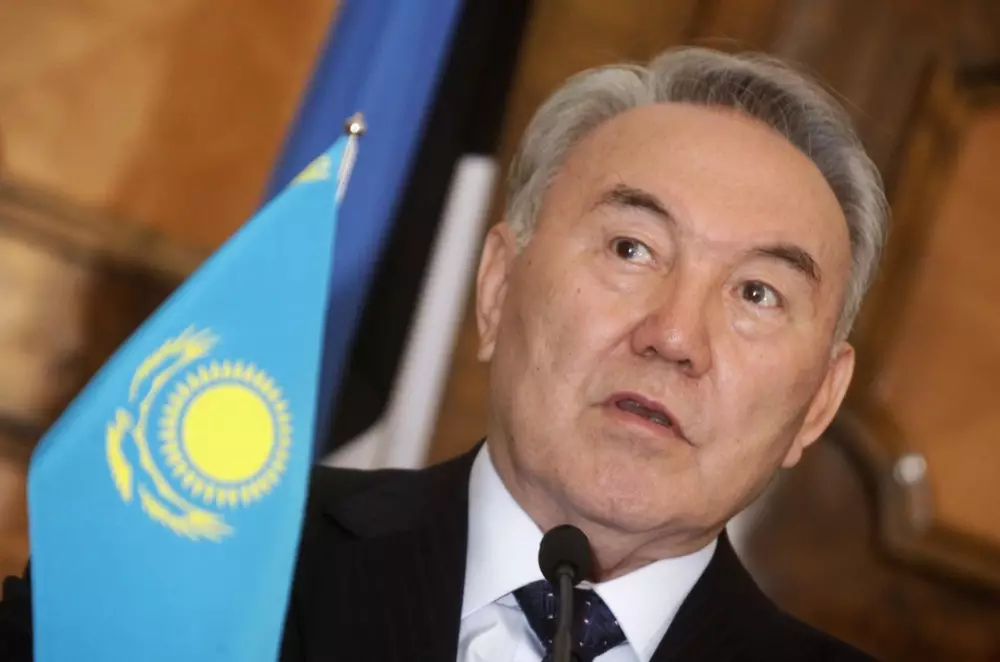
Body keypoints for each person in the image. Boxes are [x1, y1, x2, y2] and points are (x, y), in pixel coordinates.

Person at [0, 46, 885, 661]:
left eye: (757, 294)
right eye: (631, 249)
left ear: (819, 402)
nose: (675, 336)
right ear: (497, 286)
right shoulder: (196, 552)